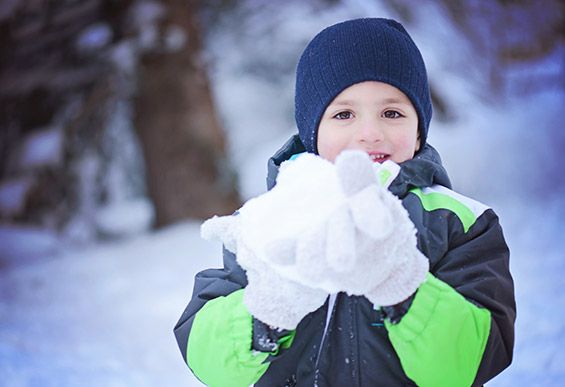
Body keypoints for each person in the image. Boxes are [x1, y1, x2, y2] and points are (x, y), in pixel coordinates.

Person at [174, 18, 515, 386]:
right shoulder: (272, 218)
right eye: (344, 114)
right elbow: (206, 358)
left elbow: (473, 361)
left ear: (418, 131)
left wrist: (401, 285)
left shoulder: (458, 221)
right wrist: (268, 309)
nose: (369, 133)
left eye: (392, 113)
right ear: (312, 131)